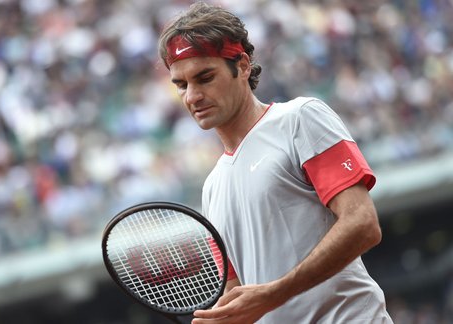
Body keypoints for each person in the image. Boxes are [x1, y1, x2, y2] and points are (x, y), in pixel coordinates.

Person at [157, 2, 393, 323]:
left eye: (204, 77)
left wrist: (273, 293)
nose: (192, 96)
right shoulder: (211, 188)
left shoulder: (300, 118)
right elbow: (237, 294)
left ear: (241, 65)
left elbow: (363, 224)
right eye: (181, 85)